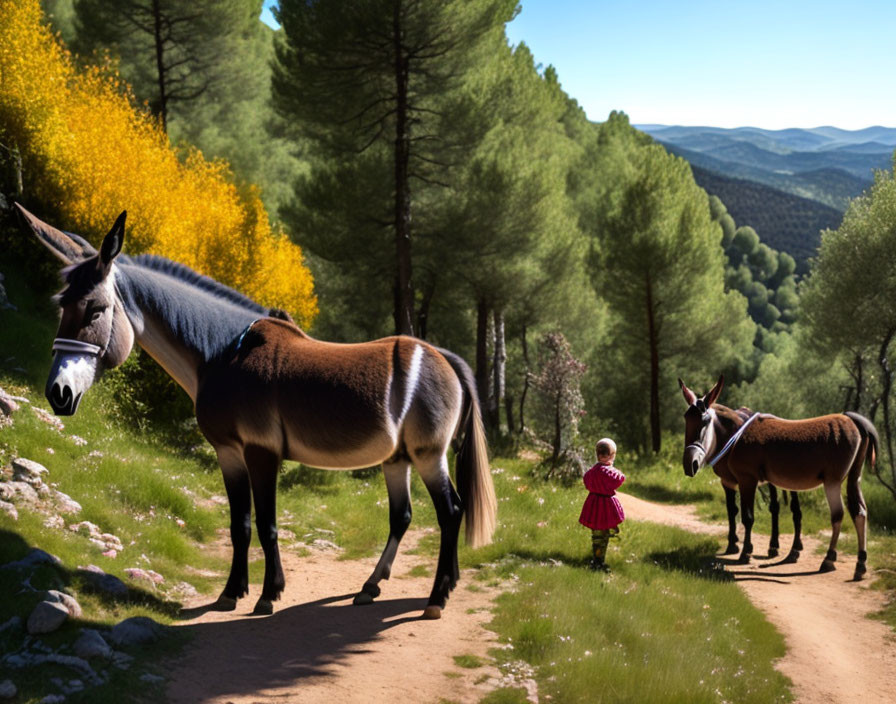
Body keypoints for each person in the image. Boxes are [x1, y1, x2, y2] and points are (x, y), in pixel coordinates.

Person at [579, 437, 625, 572]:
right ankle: (599, 561)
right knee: (604, 533)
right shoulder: (610, 472)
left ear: (597, 454)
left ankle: (597, 559)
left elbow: (587, 482)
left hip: (594, 503)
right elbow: (620, 479)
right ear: (612, 455)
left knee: (596, 534)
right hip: (606, 504)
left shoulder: (591, 473)